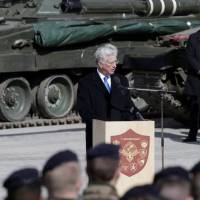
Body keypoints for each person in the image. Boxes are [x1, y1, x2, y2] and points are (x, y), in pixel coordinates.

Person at [77, 43, 142, 149]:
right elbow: (84, 110)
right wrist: (102, 126)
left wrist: (138, 118)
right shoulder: (86, 82)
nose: (115, 65)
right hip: (97, 137)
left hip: (120, 136)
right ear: (100, 63)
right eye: (110, 63)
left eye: (115, 61)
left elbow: (128, 105)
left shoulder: (121, 80)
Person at [183, 30, 200, 142]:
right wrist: (198, 69)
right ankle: (192, 134)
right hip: (196, 79)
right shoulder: (194, 38)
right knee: (195, 108)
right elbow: (189, 56)